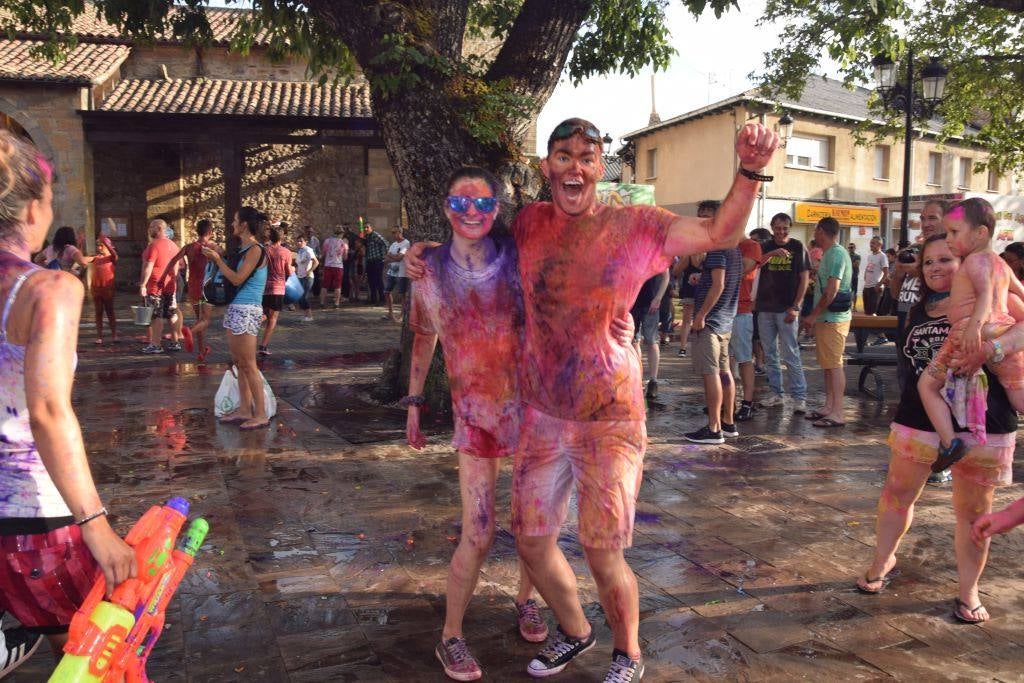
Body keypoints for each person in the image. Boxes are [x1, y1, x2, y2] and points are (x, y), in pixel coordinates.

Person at [410, 118, 778, 682]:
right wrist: (429, 253)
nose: (574, 167)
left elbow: (719, 233)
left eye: (586, 156)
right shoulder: (530, 222)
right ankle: (576, 631)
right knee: (531, 541)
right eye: (563, 156)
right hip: (541, 413)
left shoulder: (637, 225)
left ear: (601, 166)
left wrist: (749, 171)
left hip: (610, 416)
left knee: (602, 549)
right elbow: (477, 245)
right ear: (546, 167)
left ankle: (627, 653)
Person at [0, 130, 136, 674]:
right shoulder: (48, 290)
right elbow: (49, 411)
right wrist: (95, 524)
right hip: (31, 518)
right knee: (101, 659)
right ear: (34, 209)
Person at [856, 234, 1016, 625]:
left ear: (967, 262)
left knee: (973, 511)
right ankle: (881, 561)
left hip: (983, 420)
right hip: (918, 418)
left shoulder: (991, 296)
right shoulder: (916, 307)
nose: (936, 268)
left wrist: (994, 349)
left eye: (946, 259)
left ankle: (968, 592)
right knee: (897, 494)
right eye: (929, 262)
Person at [918, 198, 1024, 472]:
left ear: (980, 233)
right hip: (1003, 329)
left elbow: (985, 295)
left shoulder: (975, 260)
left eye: (955, 232)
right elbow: (1019, 293)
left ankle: (950, 442)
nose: (949, 239)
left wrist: (975, 328)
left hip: (969, 331)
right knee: (1017, 393)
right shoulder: (1002, 264)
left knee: (927, 385)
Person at [202, 207, 269, 430]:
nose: (232, 224)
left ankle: (260, 414)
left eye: (234, 220)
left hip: (248, 308)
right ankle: (244, 409)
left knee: (249, 364)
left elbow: (238, 279)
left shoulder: (255, 250)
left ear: (243, 225)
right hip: (238, 307)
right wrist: (219, 256)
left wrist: (217, 260)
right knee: (239, 363)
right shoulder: (244, 248)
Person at [685, 242, 742, 443]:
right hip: (725, 321)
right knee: (724, 372)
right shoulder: (734, 248)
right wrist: (701, 277)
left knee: (711, 373)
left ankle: (714, 428)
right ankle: (728, 423)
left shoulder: (718, 248)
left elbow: (719, 284)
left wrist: (701, 315)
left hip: (711, 322)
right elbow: (722, 280)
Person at [800, 217, 852, 428]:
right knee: (828, 365)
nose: (814, 233)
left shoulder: (837, 254)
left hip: (833, 318)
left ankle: (838, 411)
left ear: (821, 230)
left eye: (816, 230)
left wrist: (813, 314)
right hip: (827, 318)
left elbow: (832, 290)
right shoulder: (830, 253)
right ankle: (829, 406)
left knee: (834, 364)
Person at [755, 213, 808, 413]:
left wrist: (796, 306)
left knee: (791, 353)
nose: (781, 231)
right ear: (772, 228)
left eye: (785, 228)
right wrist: (772, 254)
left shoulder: (797, 247)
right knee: (770, 354)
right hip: (765, 307)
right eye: (777, 228)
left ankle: (799, 397)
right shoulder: (765, 246)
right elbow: (755, 265)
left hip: (787, 308)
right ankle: (776, 393)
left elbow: (804, 278)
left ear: (789, 228)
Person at [162, 219, 216, 362]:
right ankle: (189, 332)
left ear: (197, 231)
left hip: (192, 287)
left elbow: (172, 261)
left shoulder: (189, 247)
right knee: (205, 320)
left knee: (199, 319)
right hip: (206, 288)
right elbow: (224, 256)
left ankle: (201, 351)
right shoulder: (212, 247)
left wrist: (163, 278)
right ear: (210, 232)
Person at [139, 219, 182, 354]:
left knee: (156, 315)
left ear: (158, 228)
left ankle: (156, 344)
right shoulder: (174, 246)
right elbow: (177, 267)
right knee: (172, 313)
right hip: (170, 285)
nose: (149, 230)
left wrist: (143, 285)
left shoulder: (154, 245)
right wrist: (172, 280)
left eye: (151, 227)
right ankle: (175, 342)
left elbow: (148, 267)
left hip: (155, 286)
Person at [732, 230, 763, 421]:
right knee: (724, 361)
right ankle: (727, 401)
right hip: (723, 310)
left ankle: (747, 403)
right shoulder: (723, 245)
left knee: (744, 358)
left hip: (741, 310)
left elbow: (741, 270)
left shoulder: (751, 246)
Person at [631, 270, 670, 400]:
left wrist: (658, 298)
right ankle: (637, 379)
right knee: (634, 341)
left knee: (651, 340)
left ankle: (653, 381)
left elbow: (666, 276)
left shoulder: (656, 253)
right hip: (633, 301)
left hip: (651, 301)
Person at [259, 227, 294, 356]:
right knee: (272, 319)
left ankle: (250, 328)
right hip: (278, 288)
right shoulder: (286, 252)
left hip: (263, 287)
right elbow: (289, 271)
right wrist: (294, 269)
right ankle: (263, 346)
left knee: (264, 315)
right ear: (282, 237)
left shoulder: (265, 250)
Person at [90, 230, 117, 345]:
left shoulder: (111, 258)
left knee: (110, 311)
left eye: (101, 246)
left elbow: (114, 254)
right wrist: (80, 244)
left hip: (108, 288)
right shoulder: (95, 258)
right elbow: (83, 260)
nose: (99, 248)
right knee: (98, 312)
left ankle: (114, 334)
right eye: (98, 246)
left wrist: (106, 242)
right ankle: (99, 336)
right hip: (96, 288)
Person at [384, 227, 410, 322]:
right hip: (391, 271)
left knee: (402, 294)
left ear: (400, 232)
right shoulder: (394, 244)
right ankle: (390, 313)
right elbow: (387, 256)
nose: (393, 234)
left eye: (394, 232)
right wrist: (393, 257)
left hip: (401, 272)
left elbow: (400, 257)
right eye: (392, 232)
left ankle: (402, 315)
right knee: (387, 291)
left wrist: (392, 256)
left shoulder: (406, 243)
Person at [320, 226, 348, 309]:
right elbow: (345, 257)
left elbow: (323, 254)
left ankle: (322, 302)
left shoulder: (327, 241)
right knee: (338, 286)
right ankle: (336, 303)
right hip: (338, 266)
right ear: (341, 234)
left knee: (325, 285)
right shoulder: (343, 243)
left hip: (328, 265)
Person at [293, 235, 319, 322]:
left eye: (301, 241)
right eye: (298, 241)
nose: (299, 243)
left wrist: (310, 271)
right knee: (300, 297)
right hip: (300, 276)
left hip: (307, 277)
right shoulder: (299, 251)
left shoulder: (308, 250)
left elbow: (316, 262)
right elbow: (299, 264)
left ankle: (310, 316)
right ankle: (306, 315)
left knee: (304, 296)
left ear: (305, 242)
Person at [364, 223, 389, 305]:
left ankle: (382, 299)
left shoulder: (375, 235)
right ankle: (373, 299)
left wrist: (385, 256)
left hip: (377, 261)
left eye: (367, 227)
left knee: (378, 280)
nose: (366, 229)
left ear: (371, 228)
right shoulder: (367, 237)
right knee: (371, 281)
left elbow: (386, 243)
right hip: (370, 261)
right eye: (365, 228)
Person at [862, 236, 888, 315]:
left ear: (879, 245)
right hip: (866, 287)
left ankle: (872, 327)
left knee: (872, 313)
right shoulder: (870, 256)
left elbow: (886, 273)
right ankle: (866, 327)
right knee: (867, 312)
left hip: (874, 288)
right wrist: (865, 276)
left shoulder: (882, 256)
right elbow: (868, 267)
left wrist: (878, 285)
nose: (871, 245)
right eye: (871, 243)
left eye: (873, 243)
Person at [848, 242, 861, 312]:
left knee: (855, 292)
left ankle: (854, 307)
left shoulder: (857, 256)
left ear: (855, 248)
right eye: (849, 247)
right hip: (848, 276)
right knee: (848, 291)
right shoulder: (847, 255)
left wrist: (848, 263)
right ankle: (849, 306)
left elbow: (856, 265)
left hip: (855, 276)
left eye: (852, 247)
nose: (850, 249)